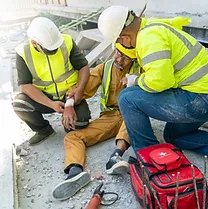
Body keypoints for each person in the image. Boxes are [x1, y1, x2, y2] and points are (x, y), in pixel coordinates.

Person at [98, 5, 208, 155]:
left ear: (124, 38)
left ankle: (149, 153)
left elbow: (161, 81)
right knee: (172, 135)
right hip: (201, 95)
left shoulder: (149, 38)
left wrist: (136, 80)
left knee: (127, 98)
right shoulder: (153, 26)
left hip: (199, 99)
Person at [51, 43, 140, 201]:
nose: (118, 59)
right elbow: (82, 88)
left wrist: (136, 82)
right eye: (117, 53)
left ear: (133, 57)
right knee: (72, 137)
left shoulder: (141, 70)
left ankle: (115, 157)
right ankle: (75, 172)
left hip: (133, 114)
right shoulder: (104, 68)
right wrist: (69, 105)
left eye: (124, 57)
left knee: (133, 112)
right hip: (110, 117)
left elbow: (156, 88)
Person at [12, 17, 91, 145]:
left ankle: (69, 124)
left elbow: (84, 67)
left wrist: (77, 93)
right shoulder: (23, 52)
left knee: (80, 123)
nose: (54, 51)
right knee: (20, 103)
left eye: (55, 47)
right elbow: (25, 85)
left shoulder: (66, 41)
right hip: (44, 98)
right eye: (50, 49)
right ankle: (43, 130)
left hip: (70, 95)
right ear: (34, 43)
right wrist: (51, 104)